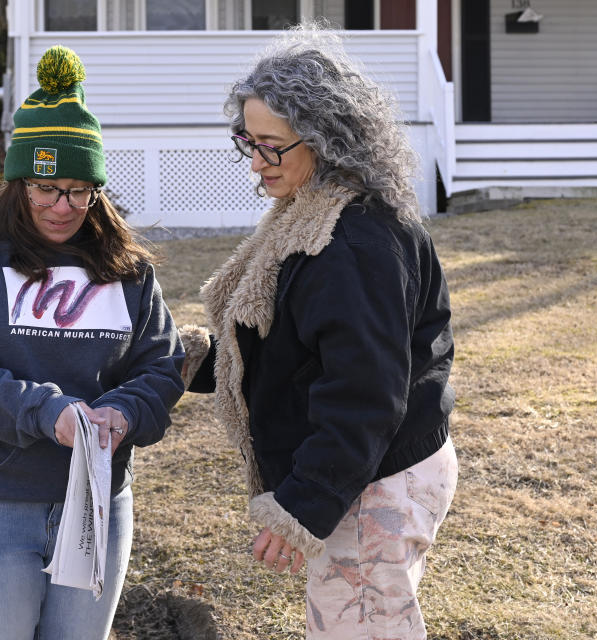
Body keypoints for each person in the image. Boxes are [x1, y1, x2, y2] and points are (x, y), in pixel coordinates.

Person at [179, 26, 458, 639]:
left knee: (361, 626)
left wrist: (301, 505)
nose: (256, 162)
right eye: (247, 142)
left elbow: (364, 395)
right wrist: (192, 361)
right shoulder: (309, 215)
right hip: (364, 466)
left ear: (328, 140)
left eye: (271, 146)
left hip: (377, 477)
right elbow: (291, 351)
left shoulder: (351, 242)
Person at [0, 45, 184, 640]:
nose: (64, 207)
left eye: (80, 190)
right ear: (17, 182)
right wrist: (48, 413)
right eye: (46, 188)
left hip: (94, 508)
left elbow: (162, 364)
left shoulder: (126, 268)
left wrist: (125, 412)